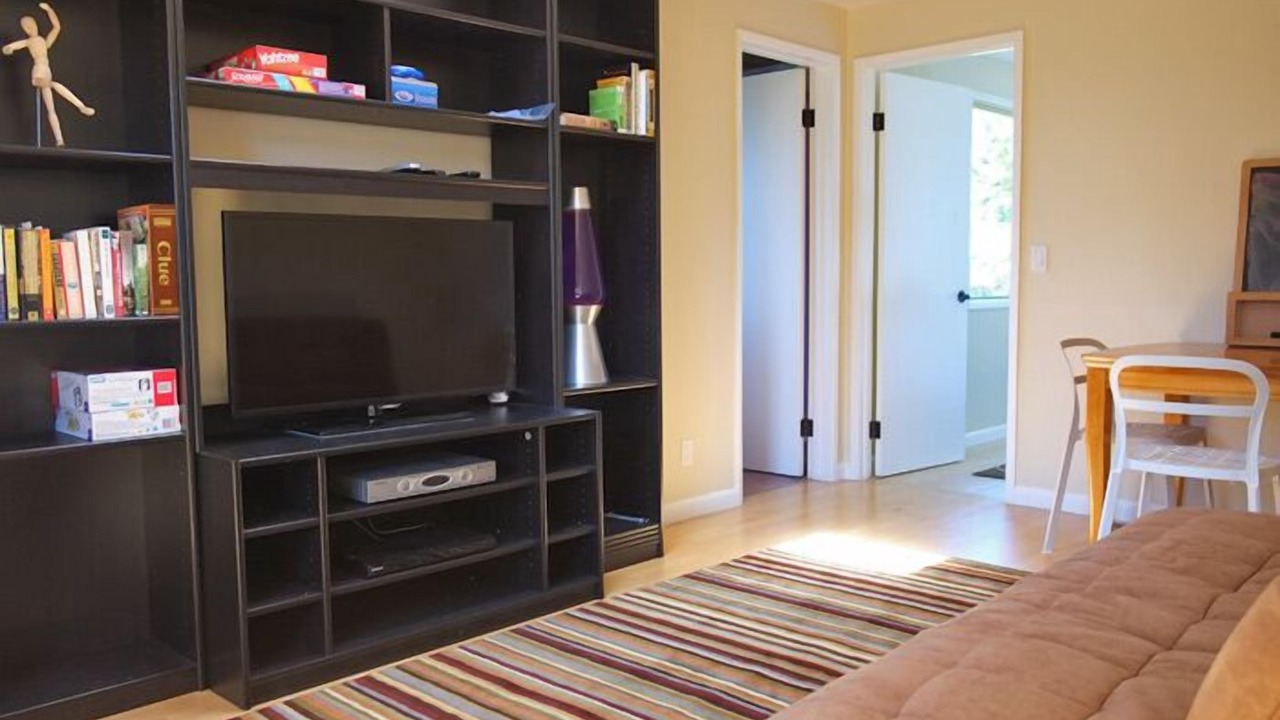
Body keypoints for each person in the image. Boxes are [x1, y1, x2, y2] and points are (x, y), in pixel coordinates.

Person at [2, 3, 95, 147]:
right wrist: (8, 49)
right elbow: (12, 46)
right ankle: (80, 106)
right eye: (27, 26)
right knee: (54, 86)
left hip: (46, 70)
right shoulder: (29, 41)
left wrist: (49, 10)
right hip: (38, 71)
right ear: (25, 29)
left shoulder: (44, 42)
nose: (31, 27)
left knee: (51, 109)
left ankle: (59, 140)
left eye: (32, 24)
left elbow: (57, 27)